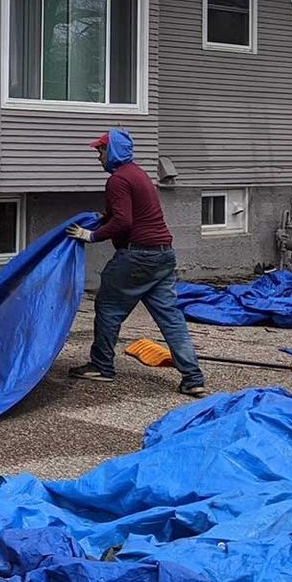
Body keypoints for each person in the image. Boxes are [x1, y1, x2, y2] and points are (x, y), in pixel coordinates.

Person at [65, 129, 207, 398]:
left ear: (113, 151)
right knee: (171, 318)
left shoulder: (118, 180)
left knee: (108, 307)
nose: (98, 157)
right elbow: (132, 215)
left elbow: (125, 222)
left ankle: (102, 366)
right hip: (164, 255)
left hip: (137, 256)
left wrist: (91, 235)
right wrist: (105, 217)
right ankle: (193, 378)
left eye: (101, 151)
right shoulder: (139, 174)